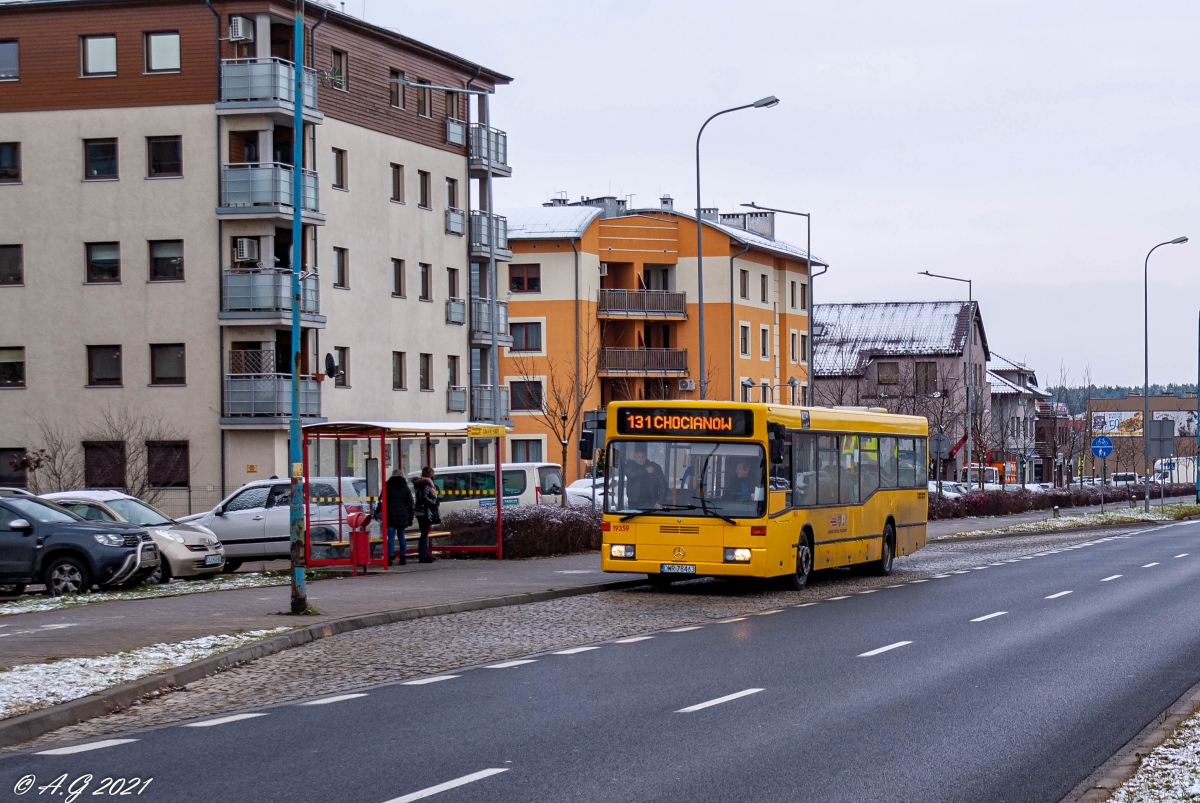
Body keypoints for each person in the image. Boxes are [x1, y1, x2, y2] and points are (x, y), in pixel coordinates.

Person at [383, 469, 414, 565]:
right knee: (402, 537)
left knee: (391, 537)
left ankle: (390, 558)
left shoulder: (387, 486)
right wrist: (410, 517)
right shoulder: (405, 488)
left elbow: (382, 501)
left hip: (390, 515)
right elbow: (411, 504)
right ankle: (403, 557)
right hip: (402, 514)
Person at [624, 445, 667, 509]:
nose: (641, 459)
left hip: (650, 502)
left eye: (643, 457)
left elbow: (663, 485)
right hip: (634, 502)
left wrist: (660, 501)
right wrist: (645, 471)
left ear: (646, 457)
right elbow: (631, 475)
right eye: (638, 457)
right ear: (634, 458)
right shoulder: (630, 466)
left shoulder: (654, 467)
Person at [411, 466, 439, 563]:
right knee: (424, 533)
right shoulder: (426, 485)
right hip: (423, 511)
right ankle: (423, 555)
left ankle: (424, 554)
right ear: (430, 475)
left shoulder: (420, 484)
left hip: (420, 511)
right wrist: (433, 502)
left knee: (424, 533)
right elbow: (425, 497)